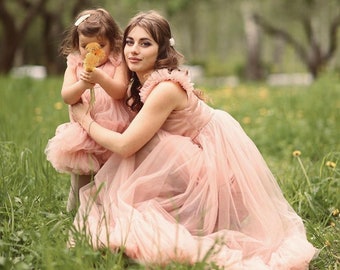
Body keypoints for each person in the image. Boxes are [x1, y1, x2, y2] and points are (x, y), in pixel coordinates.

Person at [70, 10, 317, 269]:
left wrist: (85, 120)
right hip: (189, 155)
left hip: (208, 165)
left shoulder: (165, 89)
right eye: (130, 42)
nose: (134, 50)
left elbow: (125, 144)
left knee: (144, 149)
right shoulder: (143, 80)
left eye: (146, 44)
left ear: (161, 50)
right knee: (150, 147)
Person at [45, 8, 130, 212]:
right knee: (82, 177)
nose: (92, 52)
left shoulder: (117, 61)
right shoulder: (75, 64)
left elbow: (119, 91)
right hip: (84, 133)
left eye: (101, 45)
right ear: (77, 45)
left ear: (112, 42)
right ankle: (75, 213)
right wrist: (83, 84)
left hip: (114, 130)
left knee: (111, 176)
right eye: (85, 46)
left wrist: (100, 78)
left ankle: (106, 212)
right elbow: (67, 96)